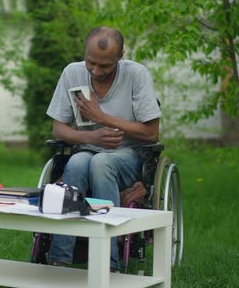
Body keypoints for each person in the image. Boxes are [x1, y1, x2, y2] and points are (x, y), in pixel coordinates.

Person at [46, 26, 162, 271]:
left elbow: (151, 133)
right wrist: (94, 139)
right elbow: (58, 129)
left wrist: (102, 117)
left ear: (120, 56)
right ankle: (59, 260)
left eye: (105, 66)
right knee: (77, 162)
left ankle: (107, 263)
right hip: (87, 151)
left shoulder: (137, 75)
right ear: (85, 53)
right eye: (91, 63)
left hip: (130, 155)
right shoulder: (72, 72)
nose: (96, 71)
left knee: (102, 163)